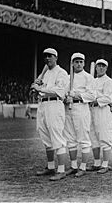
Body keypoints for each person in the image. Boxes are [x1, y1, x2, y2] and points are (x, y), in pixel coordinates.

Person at [32, 48, 69, 181]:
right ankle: (51, 166)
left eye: (50, 56)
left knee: (57, 137)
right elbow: (42, 88)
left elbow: (59, 91)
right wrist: (37, 88)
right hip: (43, 104)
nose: (47, 58)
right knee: (45, 136)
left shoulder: (61, 72)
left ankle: (61, 170)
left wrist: (40, 88)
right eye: (45, 56)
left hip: (55, 104)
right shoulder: (46, 73)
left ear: (56, 57)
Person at [63, 53, 96, 177]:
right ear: (72, 63)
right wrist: (66, 97)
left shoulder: (88, 77)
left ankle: (83, 167)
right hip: (68, 108)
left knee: (83, 138)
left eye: (81, 62)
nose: (78, 64)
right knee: (70, 139)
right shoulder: (67, 77)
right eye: (76, 62)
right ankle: (73, 166)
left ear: (84, 63)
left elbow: (92, 96)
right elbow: (62, 93)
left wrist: (76, 95)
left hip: (81, 107)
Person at [88, 59, 112, 174]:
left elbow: (108, 98)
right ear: (95, 68)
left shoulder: (109, 81)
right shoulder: (92, 81)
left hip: (102, 110)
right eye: (99, 66)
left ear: (106, 68)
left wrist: (95, 99)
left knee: (104, 137)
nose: (100, 68)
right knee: (93, 137)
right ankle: (96, 163)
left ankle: (105, 164)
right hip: (91, 110)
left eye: (103, 66)